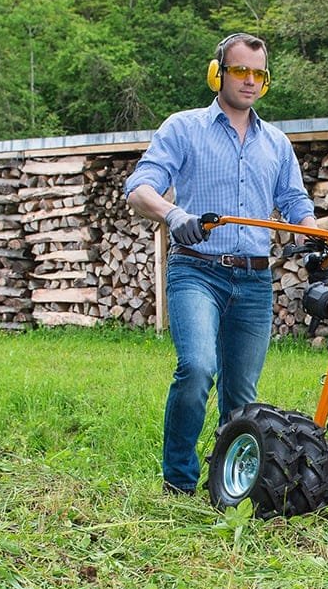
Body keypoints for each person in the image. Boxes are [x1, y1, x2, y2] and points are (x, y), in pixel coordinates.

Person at [124, 32, 317, 496]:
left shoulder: (276, 143)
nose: (249, 81)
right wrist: (174, 214)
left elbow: (295, 200)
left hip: (253, 280)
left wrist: (312, 235)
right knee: (195, 368)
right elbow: (139, 188)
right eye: (240, 71)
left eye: (258, 74)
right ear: (218, 74)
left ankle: (231, 487)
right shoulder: (183, 128)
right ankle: (179, 481)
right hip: (197, 270)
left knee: (241, 399)